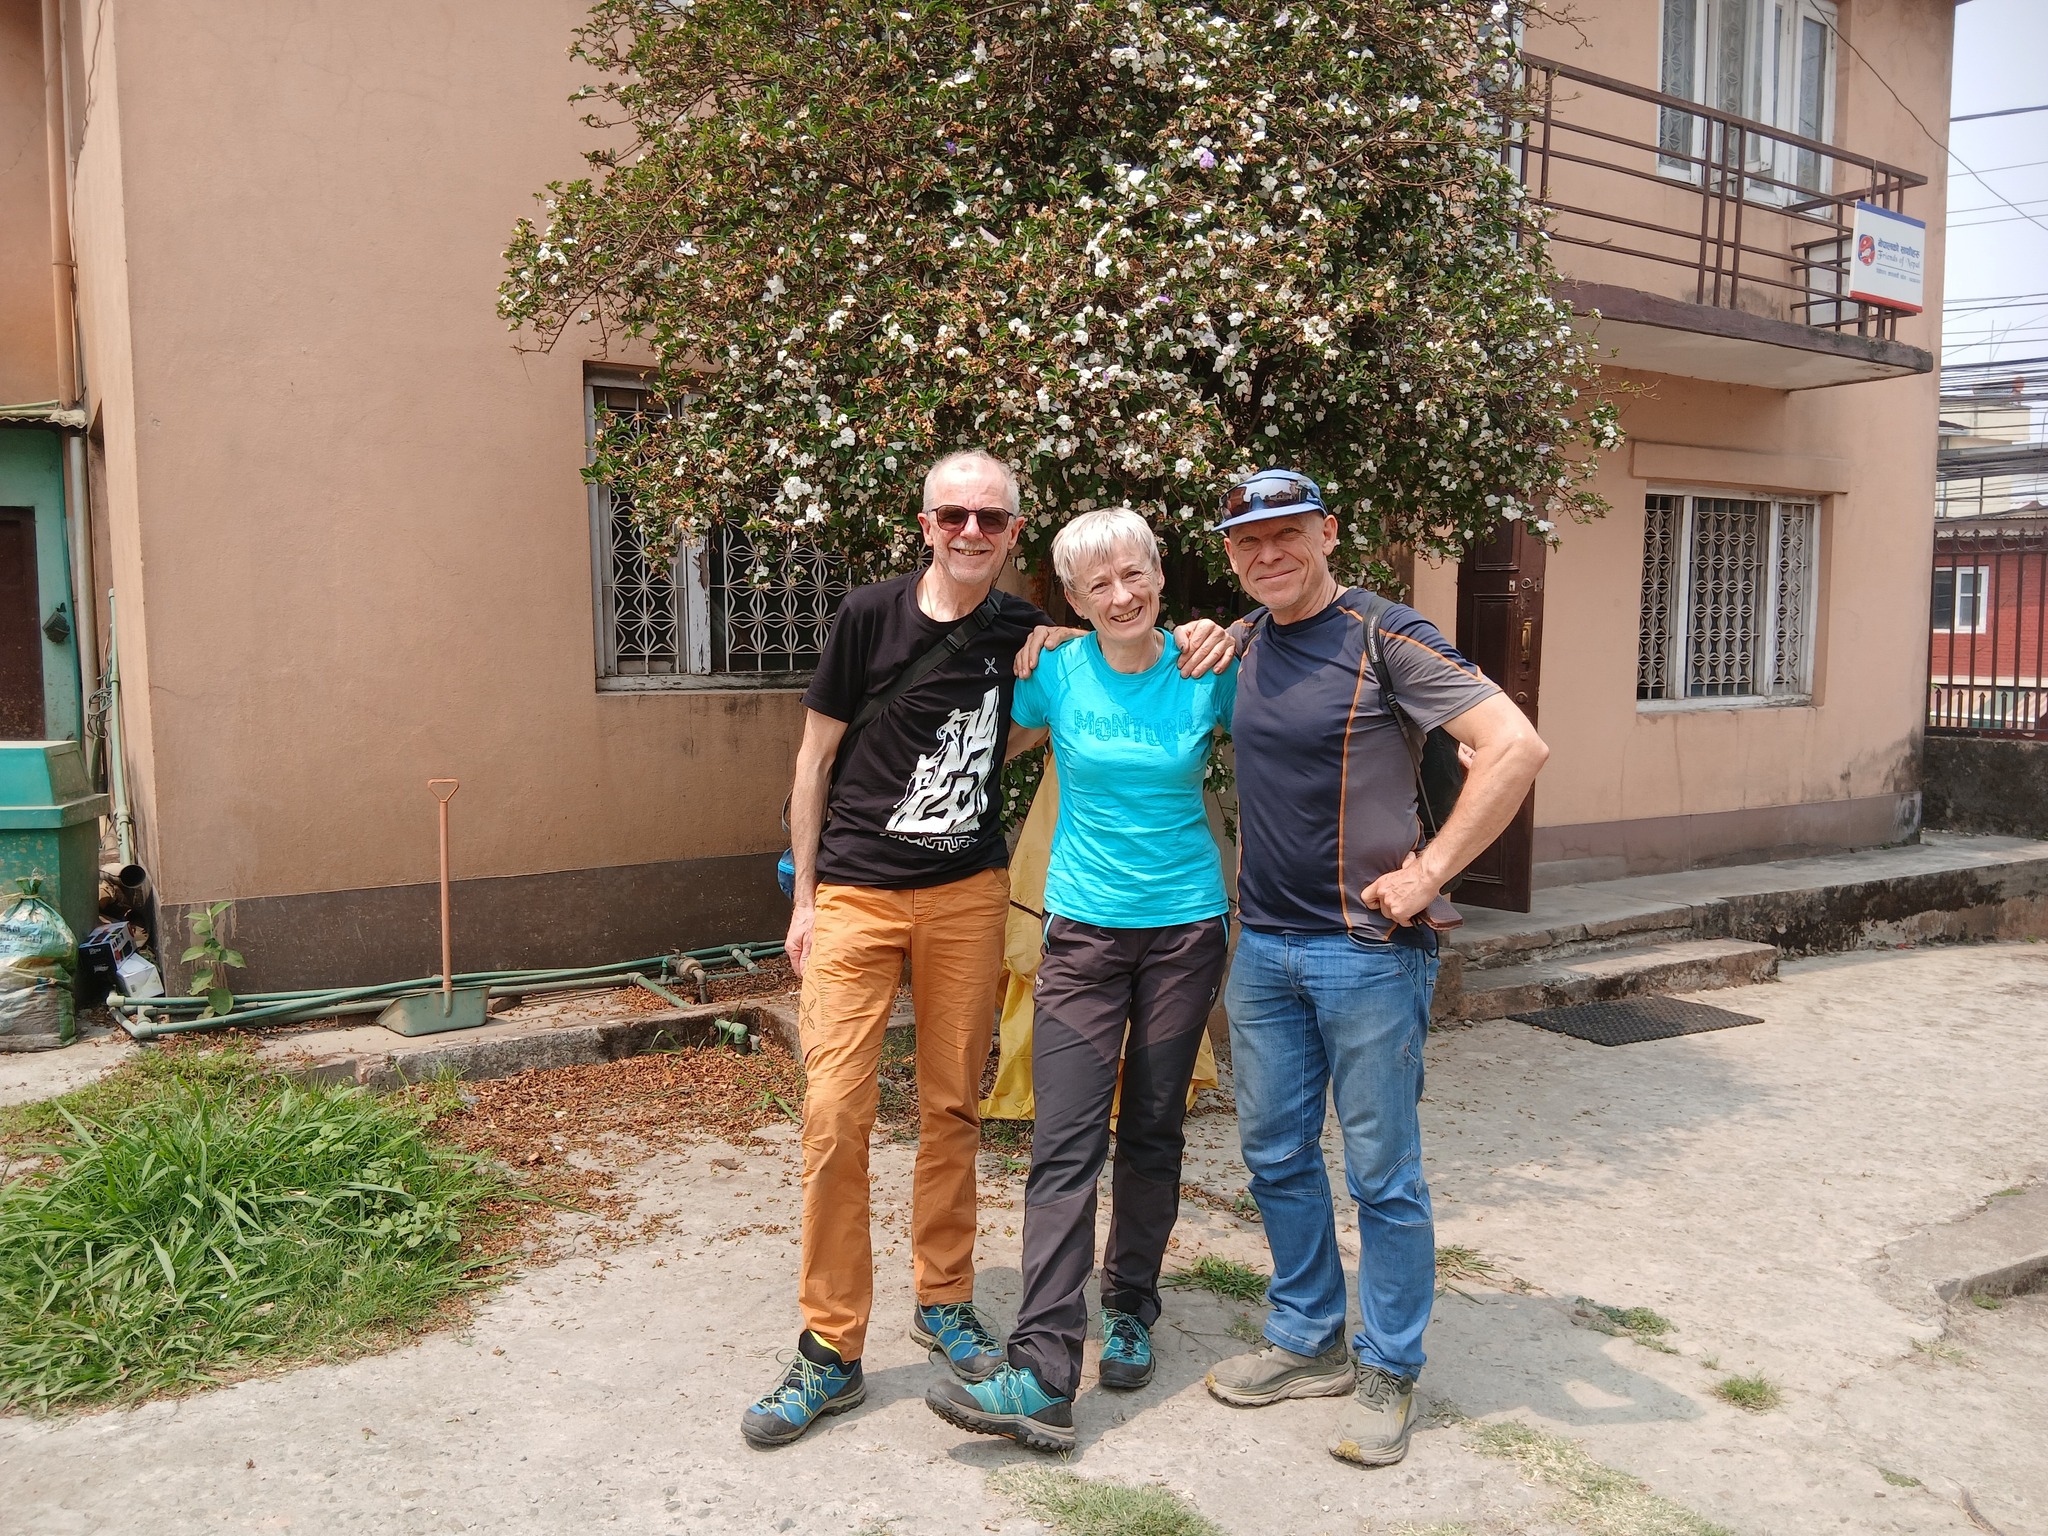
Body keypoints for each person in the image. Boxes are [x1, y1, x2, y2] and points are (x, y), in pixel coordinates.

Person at [743, 452, 1232, 1448]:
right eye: (954, 515)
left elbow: (1028, 720)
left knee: (952, 1106)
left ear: (1014, 536)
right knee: (834, 1112)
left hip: (967, 894)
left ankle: (944, 1300)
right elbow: (812, 762)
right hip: (854, 897)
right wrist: (803, 897)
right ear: (924, 524)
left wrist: (1189, 633)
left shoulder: (1033, 634)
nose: (972, 531)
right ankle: (830, 1349)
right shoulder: (868, 618)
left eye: (991, 519)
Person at [1200, 469, 1549, 1470]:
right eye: (1246, 541)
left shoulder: (1381, 634)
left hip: (1363, 953)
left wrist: (1430, 871)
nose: (1267, 554)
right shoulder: (1249, 641)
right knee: (1271, 1155)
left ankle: (1387, 1365)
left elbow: (1513, 746)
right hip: (1262, 947)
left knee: (1381, 1176)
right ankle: (1305, 1333)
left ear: (1326, 533)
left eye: (1285, 534)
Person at [923, 509, 1235, 1453]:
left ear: (1159, 573)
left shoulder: (1207, 668)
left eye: (1133, 574)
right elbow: (981, 747)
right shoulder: (1053, 669)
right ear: (1071, 599)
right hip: (1083, 934)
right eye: (1097, 585)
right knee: (1063, 1143)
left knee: (1151, 1126)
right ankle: (1044, 1367)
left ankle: (1132, 1304)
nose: (1121, 595)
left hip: (1186, 931)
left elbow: (1290, 682)